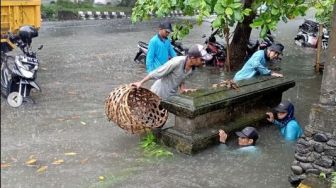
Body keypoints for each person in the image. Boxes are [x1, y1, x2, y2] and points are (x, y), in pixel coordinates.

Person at [132, 44, 212, 100]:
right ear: (193, 58)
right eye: (202, 59)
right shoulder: (176, 62)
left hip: (171, 97)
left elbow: (182, 77)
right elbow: (157, 72)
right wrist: (141, 82)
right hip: (157, 93)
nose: (203, 62)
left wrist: (183, 89)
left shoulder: (192, 68)